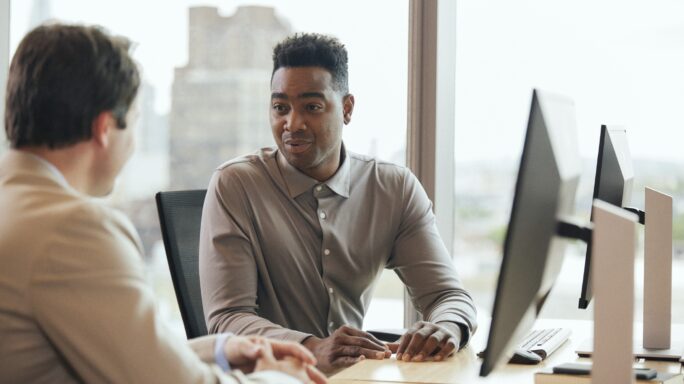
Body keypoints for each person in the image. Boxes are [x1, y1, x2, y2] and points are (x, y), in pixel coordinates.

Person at [0, 24, 326, 384]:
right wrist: (285, 378)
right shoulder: (72, 230)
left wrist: (222, 349)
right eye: (136, 122)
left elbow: (127, 351)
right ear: (105, 129)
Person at [199, 33, 477, 373]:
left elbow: (448, 296)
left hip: (354, 377)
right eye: (280, 108)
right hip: (268, 379)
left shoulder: (393, 188)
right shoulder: (236, 184)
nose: (292, 124)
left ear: (346, 109)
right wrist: (311, 348)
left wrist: (447, 327)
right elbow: (228, 319)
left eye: (311, 107)